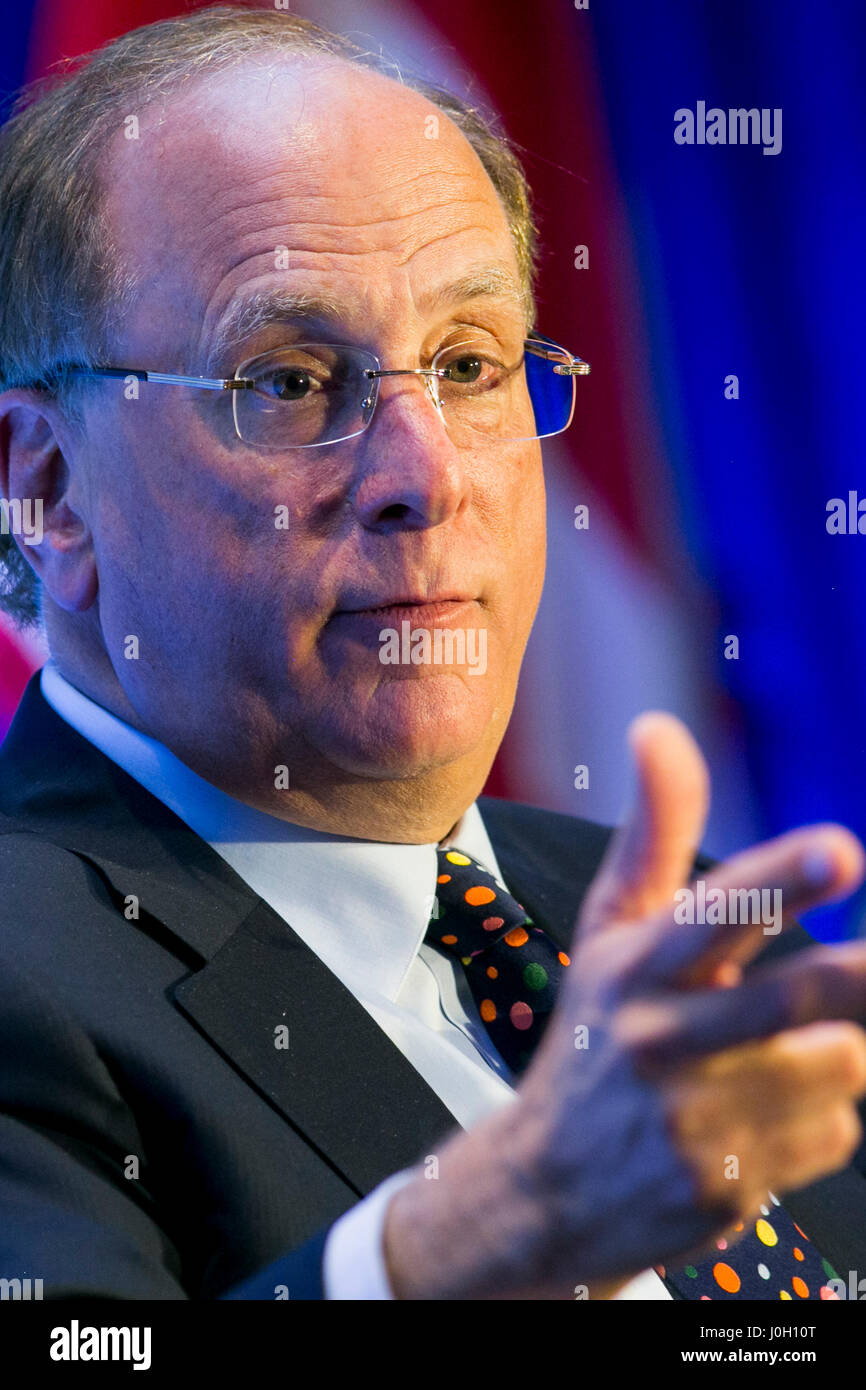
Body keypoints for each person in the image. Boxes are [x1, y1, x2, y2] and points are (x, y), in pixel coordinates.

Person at [1, 7, 865, 1302]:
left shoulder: (699, 948)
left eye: (467, 363)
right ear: (50, 489)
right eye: (287, 380)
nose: (426, 473)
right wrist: (483, 1232)